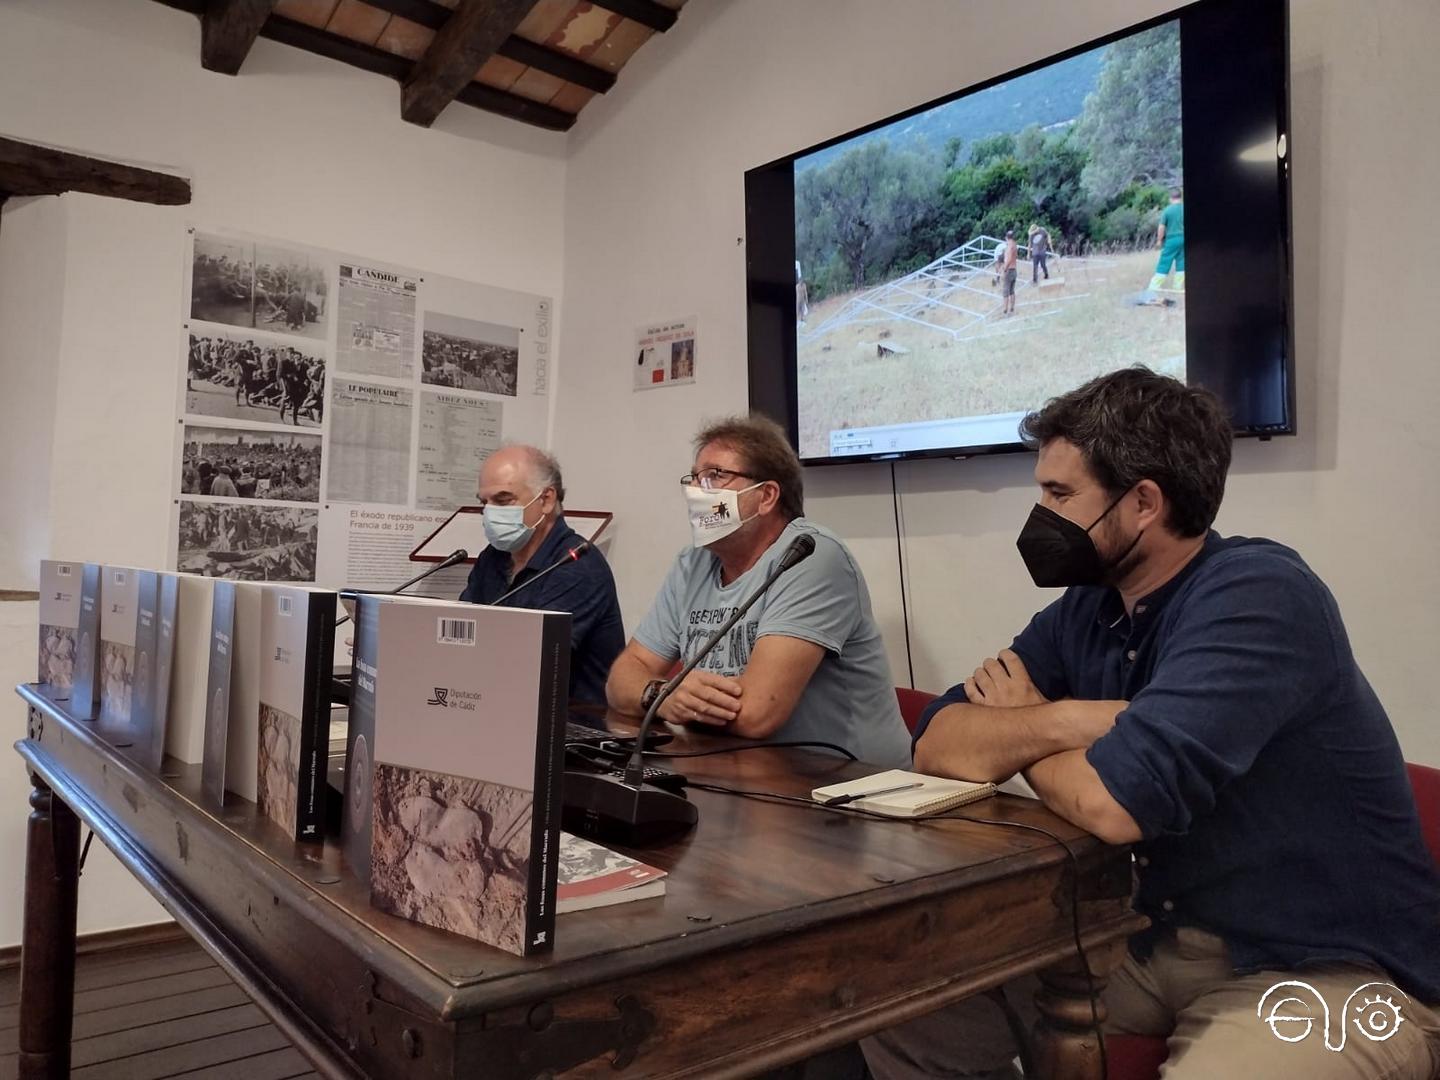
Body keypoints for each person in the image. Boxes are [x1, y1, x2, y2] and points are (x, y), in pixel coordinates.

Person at [864, 368, 1440, 1080]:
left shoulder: (1260, 594)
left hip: (1327, 968)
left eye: (1058, 494)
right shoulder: (1089, 606)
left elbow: (1112, 805)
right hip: (1147, 938)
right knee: (902, 1007)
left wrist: (1019, 727)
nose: (1039, 514)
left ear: (1143, 503)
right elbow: (940, 741)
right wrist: (1068, 720)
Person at [606, 415, 910, 766]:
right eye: (693, 478)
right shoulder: (692, 563)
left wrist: (669, 698)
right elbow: (622, 677)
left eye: (715, 476)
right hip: (741, 773)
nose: (696, 491)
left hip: (850, 789)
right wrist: (660, 693)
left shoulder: (811, 555)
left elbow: (756, 714)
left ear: (766, 496)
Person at [459, 445, 624, 709]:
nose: (489, 513)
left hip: (571, 728)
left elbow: (530, 663)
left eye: (502, 501)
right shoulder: (493, 557)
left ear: (546, 499)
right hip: (499, 708)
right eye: (484, 503)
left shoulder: (578, 565)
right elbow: (462, 636)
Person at [1149, 187, 1185, 293]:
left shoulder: (1168, 210)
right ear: (1180, 197)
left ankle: (1154, 285)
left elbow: (1161, 227)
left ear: (1171, 198)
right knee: (1181, 262)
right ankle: (1177, 286)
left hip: (1172, 239)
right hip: (1183, 238)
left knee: (1165, 261)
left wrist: (1159, 240)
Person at [1000, 230, 1019, 316]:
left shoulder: (1010, 246)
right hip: (1014, 269)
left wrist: (1005, 269)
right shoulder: (1015, 245)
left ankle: (1005, 310)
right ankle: (1012, 308)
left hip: (1009, 270)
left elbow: (1009, 258)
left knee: (1006, 291)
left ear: (1006, 237)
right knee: (1012, 291)